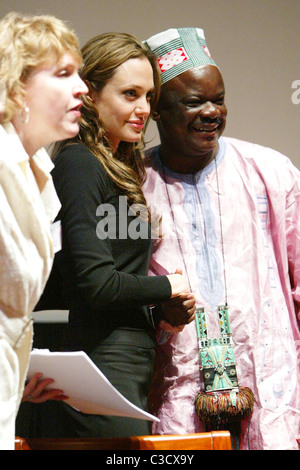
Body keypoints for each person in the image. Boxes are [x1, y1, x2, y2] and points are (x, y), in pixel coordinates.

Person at [143, 27, 300, 450]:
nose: (211, 112)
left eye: (219, 99)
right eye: (194, 102)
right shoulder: (135, 185)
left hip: (271, 388)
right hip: (175, 393)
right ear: (157, 109)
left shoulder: (271, 172)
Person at [47, 32, 195, 439]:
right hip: (100, 370)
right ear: (90, 95)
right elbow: (94, 284)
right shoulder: (80, 164)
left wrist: (163, 310)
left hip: (126, 366)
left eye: (148, 96)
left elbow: (113, 279)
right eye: (130, 94)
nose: (143, 108)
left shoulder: (117, 167)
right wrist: (166, 287)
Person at [0, 12, 88, 450]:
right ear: (16, 84)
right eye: (64, 73)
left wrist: (16, 381)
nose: (82, 88)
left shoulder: (41, 175)